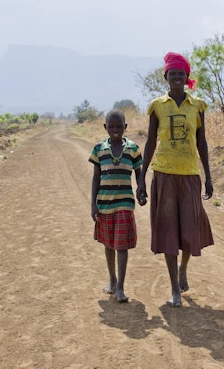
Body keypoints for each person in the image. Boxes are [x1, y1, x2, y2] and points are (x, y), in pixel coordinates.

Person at [137, 51, 214, 308]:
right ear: (166, 77)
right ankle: (174, 290)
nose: (177, 78)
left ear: (187, 76)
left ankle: (183, 269)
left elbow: (201, 142)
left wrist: (208, 176)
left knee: (191, 231)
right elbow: (149, 142)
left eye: (181, 73)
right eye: (173, 74)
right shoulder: (157, 106)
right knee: (169, 232)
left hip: (190, 174)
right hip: (165, 175)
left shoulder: (197, 106)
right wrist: (141, 178)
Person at [89, 109, 147, 303]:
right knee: (108, 245)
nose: (115, 130)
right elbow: (96, 178)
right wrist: (93, 205)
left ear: (125, 127)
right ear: (105, 128)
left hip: (125, 204)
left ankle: (121, 286)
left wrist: (141, 190)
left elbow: (139, 174)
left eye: (119, 126)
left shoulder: (133, 148)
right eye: (111, 127)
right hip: (105, 205)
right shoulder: (98, 149)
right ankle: (112, 280)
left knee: (122, 246)